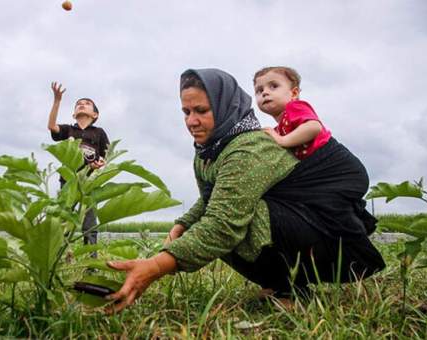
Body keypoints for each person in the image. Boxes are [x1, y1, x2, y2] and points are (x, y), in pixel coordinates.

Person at [106, 69, 385, 313]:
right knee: (215, 220)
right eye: (186, 112)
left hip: (325, 235)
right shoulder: (209, 151)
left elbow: (223, 223)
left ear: (225, 106)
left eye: (202, 111)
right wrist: (182, 224)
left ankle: (292, 288)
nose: (191, 121)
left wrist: (155, 267)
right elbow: (210, 198)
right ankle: (281, 283)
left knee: (236, 222)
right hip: (299, 222)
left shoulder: (247, 148)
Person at [47, 82, 110, 248]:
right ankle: (58, 256)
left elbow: (106, 155)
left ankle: (90, 263)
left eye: (87, 103)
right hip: (68, 181)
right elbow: (52, 126)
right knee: (63, 221)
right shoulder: (69, 130)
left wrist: (99, 164)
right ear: (74, 114)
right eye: (78, 104)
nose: (82, 104)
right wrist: (57, 100)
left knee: (89, 224)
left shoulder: (99, 132)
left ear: (95, 114)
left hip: (89, 184)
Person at [253, 66, 330, 160]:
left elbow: (314, 127)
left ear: (294, 93)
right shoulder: (278, 130)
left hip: (331, 158)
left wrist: (281, 140)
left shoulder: (294, 107)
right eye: (260, 90)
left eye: (274, 86)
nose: (264, 92)